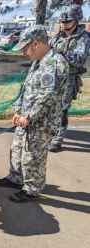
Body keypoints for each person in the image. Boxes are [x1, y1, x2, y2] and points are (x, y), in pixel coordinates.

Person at [0, 26, 69, 202]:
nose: (24, 53)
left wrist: (29, 116)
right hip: (27, 118)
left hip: (42, 121)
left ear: (35, 43)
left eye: (25, 48)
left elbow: (47, 96)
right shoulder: (38, 62)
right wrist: (19, 110)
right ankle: (16, 178)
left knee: (33, 155)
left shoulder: (54, 63)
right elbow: (27, 89)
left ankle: (32, 189)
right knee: (18, 149)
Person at [48, 4, 90, 152]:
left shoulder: (83, 38)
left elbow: (79, 59)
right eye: (62, 22)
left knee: (62, 109)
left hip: (68, 78)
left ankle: (58, 138)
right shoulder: (58, 35)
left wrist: (61, 51)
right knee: (49, 106)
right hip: (52, 76)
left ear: (77, 20)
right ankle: (48, 133)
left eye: (67, 22)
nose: (64, 24)